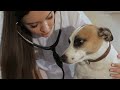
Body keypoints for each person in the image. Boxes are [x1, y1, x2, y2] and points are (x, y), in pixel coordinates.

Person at [0, 11, 120, 79]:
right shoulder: (11, 38)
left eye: (50, 17)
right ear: (18, 24)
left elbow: (97, 39)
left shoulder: (72, 15)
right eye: (34, 25)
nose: (46, 29)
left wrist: (116, 61)